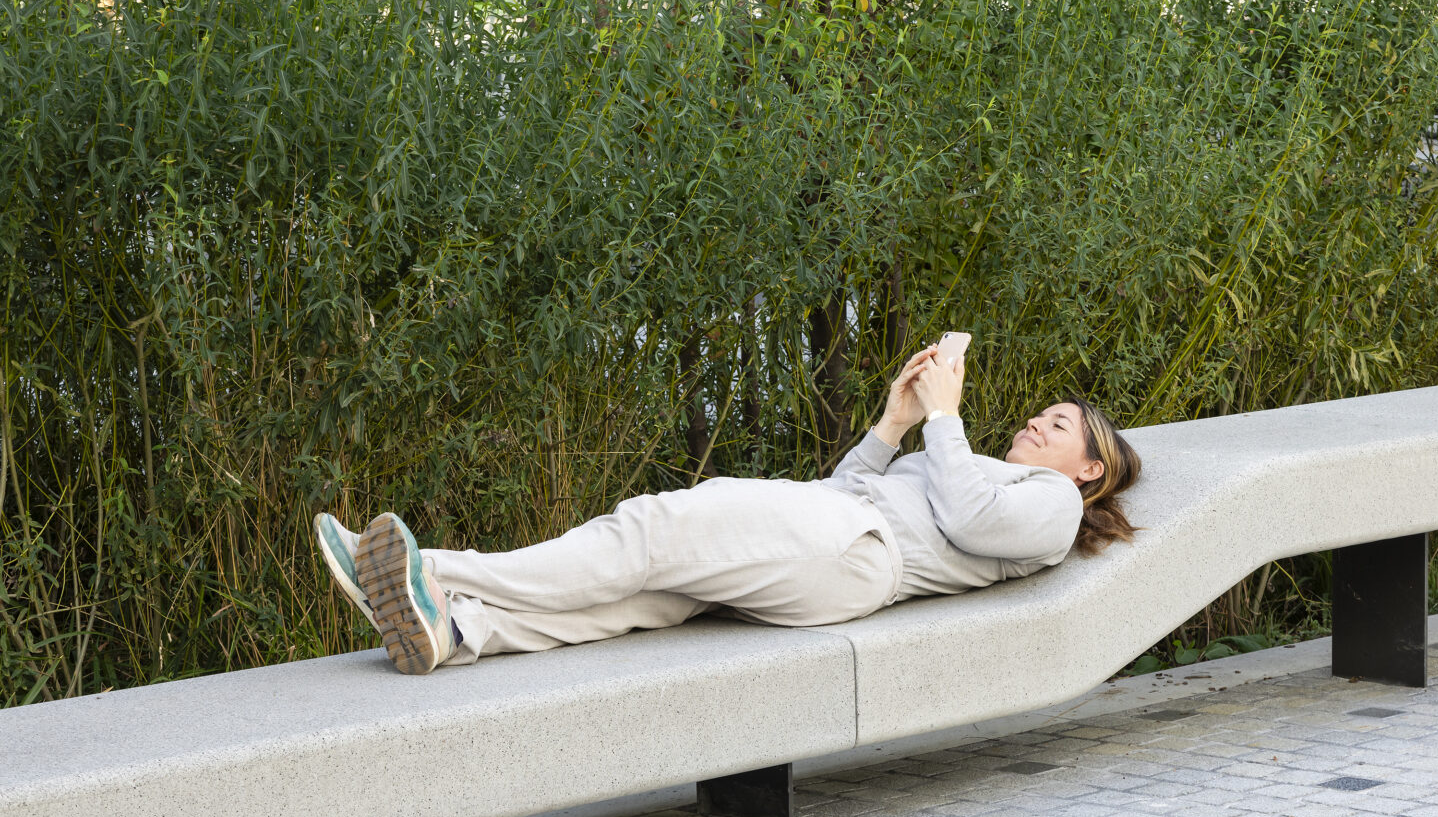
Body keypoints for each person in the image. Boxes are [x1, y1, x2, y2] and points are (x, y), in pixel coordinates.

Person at [314, 343, 1143, 674]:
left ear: (1089, 468)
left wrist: (947, 414)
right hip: (838, 534)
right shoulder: (985, 469)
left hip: (855, 551)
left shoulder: (1050, 507)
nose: (1037, 420)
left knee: (652, 528)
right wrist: (894, 422)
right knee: (646, 599)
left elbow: (965, 516)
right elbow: (844, 487)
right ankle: (456, 630)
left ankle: (421, 570)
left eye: (1058, 423)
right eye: (1042, 413)